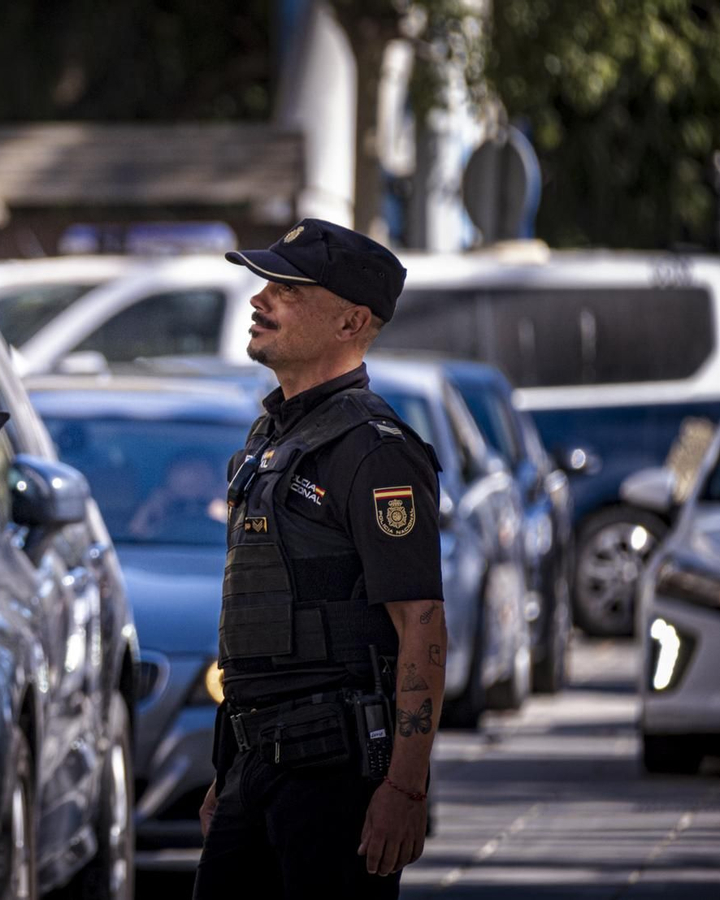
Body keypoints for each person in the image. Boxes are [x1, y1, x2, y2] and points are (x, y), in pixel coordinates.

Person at [193, 219, 447, 898]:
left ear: (351, 321)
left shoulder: (375, 449)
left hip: (334, 779)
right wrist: (230, 774)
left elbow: (421, 621)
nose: (259, 299)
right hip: (255, 768)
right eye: (264, 284)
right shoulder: (269, 441)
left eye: (288, 289)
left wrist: (405, 787)